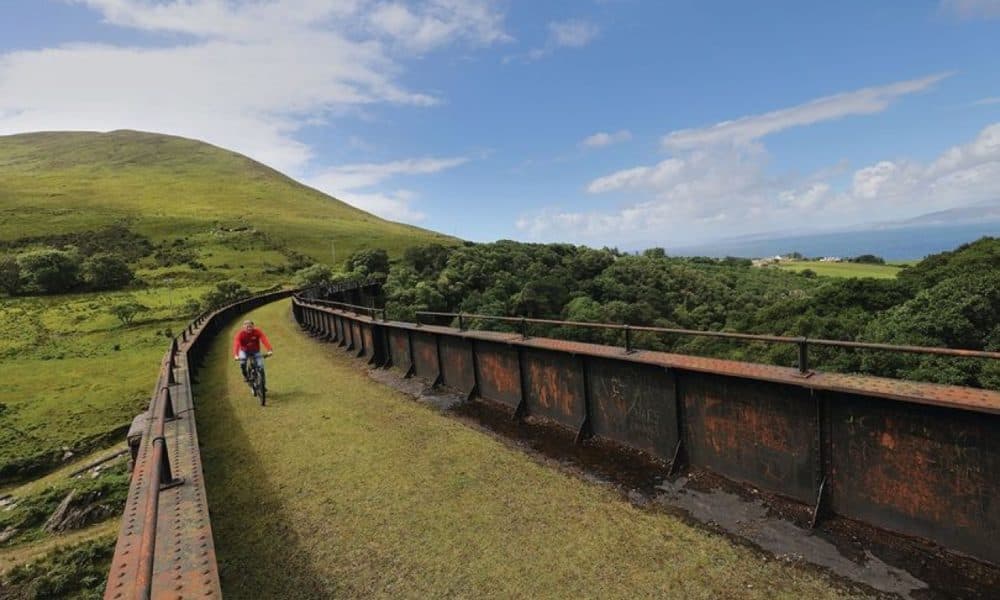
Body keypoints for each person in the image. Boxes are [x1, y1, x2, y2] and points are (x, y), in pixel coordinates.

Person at [233, 319, 273, 387]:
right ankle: (245, 376)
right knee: (243, 362)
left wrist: (269, 350)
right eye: (247, 327)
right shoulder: (240, 334)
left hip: (255, 351)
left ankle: (263, 385)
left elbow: (264, 339)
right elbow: (236, 344)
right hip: (244, 351)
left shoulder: (257, 332)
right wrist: (236, 355)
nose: (249, 328)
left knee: (261, 367)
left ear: (253, 326)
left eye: (250, 326)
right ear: (244, 327)